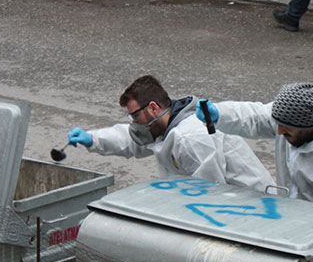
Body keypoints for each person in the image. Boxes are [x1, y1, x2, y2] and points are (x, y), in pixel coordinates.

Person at [196, 83, 313, 221]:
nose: (279, 132)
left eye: (286, 128)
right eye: (278, 125)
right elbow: (254, 116)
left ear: (311, 125)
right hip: (291, 222)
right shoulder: (288, 115)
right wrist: (220, 114)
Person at [67, 75, 274, 192]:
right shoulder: (164, 127)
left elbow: (211, 193)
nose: (134, 124)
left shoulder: (191, 138)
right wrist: (92, 139)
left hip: (250, 206)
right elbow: (132, 141)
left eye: (135, 117)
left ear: (153, 108)